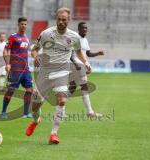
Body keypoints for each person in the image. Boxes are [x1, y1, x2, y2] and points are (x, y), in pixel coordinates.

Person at [25, 7, 91, 144]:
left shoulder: (74, 37)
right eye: (59, 19)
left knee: (62, 100)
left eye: (64, 20)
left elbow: (79, 52)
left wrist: (86, 62)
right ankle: (36, 120)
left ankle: (54, 134)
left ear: (69, 20)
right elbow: (34, 49)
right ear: (56, 19)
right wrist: (35, 56)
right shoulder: (46, 33)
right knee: (34, 107)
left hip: (62, 72)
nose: (61, 22)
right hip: (45, 73)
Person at [69, 22, 105, 118]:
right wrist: (76, 64)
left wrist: (98, 53)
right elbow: (70, 54)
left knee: (72, 88)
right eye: (83, 28)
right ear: (79, 29)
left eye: (86, 28)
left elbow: (88, 54)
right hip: (75, 66)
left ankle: (59, 103)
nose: (85, 29)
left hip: (81, 65)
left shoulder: (85, 40)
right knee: (84, 86)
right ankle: (90, 112)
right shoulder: (76, 39)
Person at [1, 17, 33, 119]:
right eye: (22, 24)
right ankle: (3, 111)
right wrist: (7, 64)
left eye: (25, 24)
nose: (24, 26)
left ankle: (26, 113)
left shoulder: (26, 39)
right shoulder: (13, 37)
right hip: (15, 69)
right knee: (11, 90)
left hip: (26, 69)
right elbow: (5, 51)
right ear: (18, 24)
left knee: (29, 90)